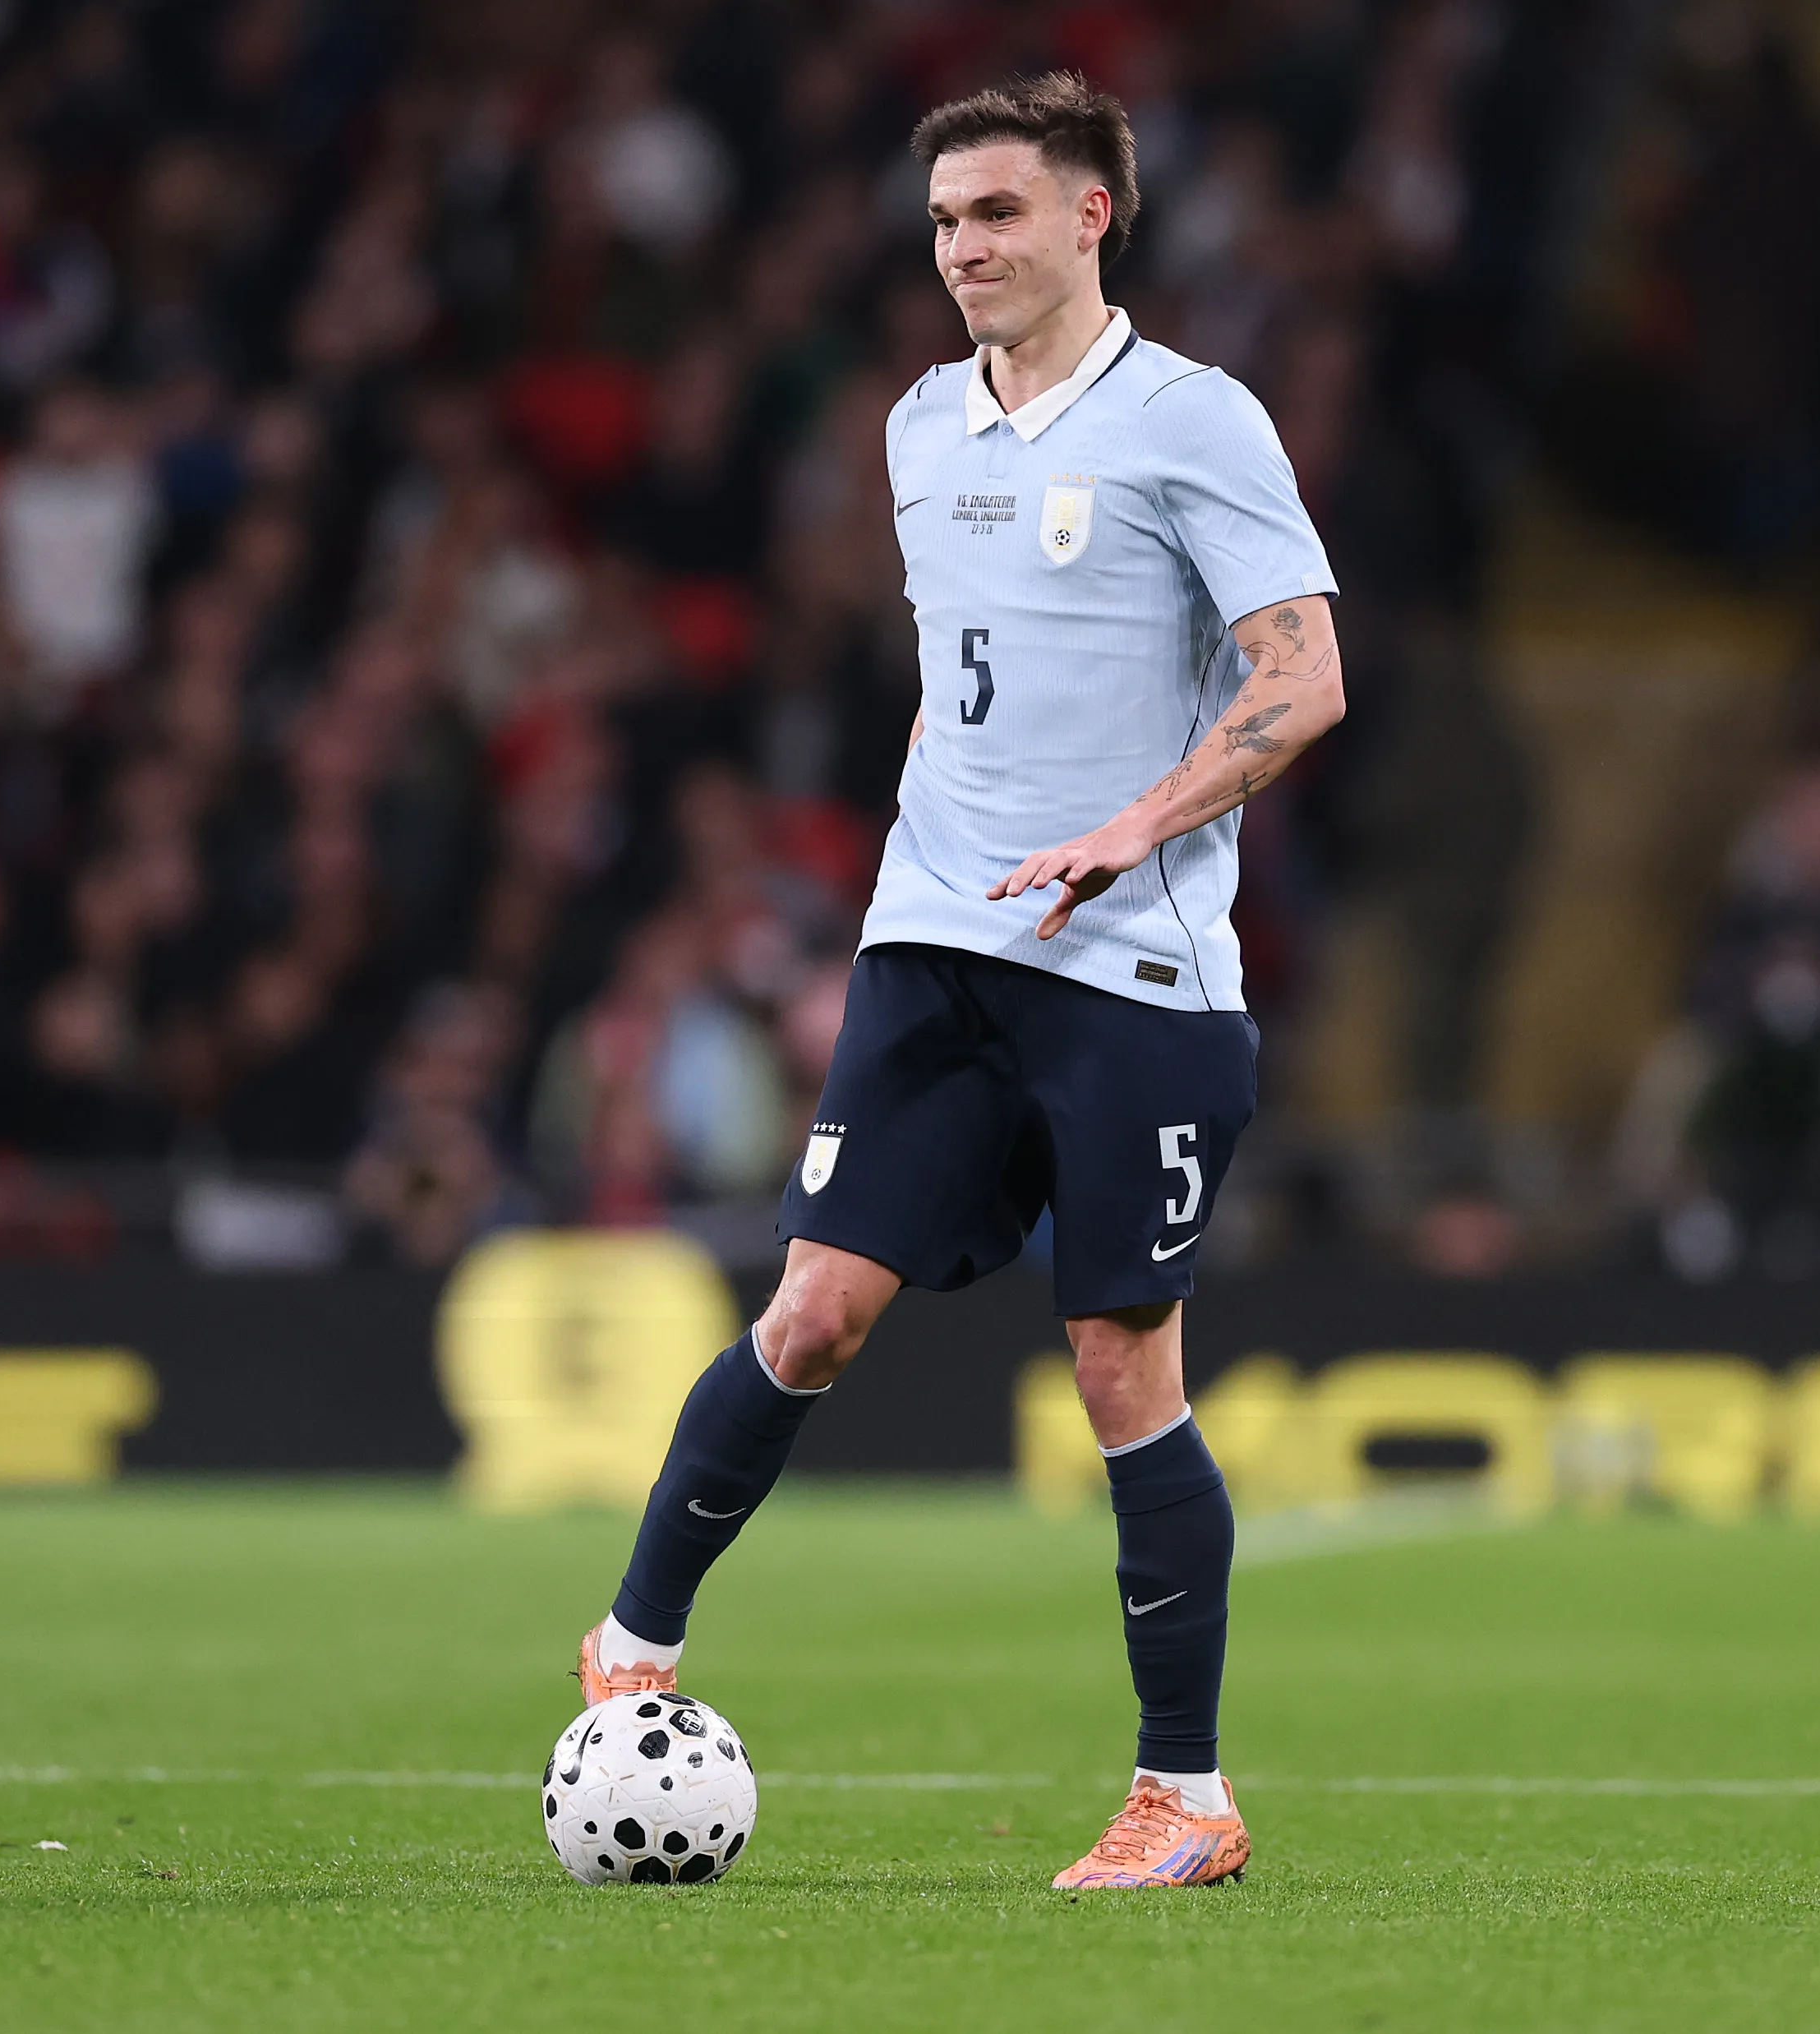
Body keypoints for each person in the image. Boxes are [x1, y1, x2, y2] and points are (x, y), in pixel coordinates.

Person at [574, 71, 1345, 1892]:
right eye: (940, 223)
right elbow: (966, 669)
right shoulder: (924, 426)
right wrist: (942, 832)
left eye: (996, 213)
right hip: (937, 936)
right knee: (815, 1308)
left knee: (1114, 1359)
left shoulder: (1193, 421)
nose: (961, 251)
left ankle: (1187, 1797)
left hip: (1134, 964)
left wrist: (1123, 827)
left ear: (1093, 218)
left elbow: (1298, 680)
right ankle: (631, 1647)